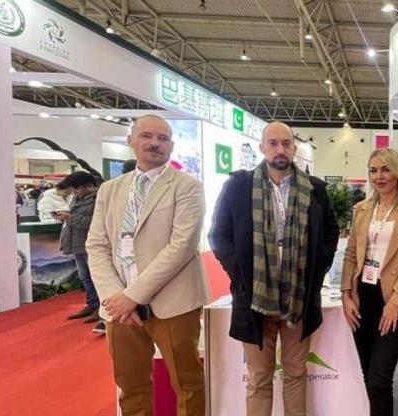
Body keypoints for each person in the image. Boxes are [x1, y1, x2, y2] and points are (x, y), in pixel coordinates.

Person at [208, 122, 339, 416]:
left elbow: (330, 231)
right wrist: (240, 273)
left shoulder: (314, 189)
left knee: (296, 373)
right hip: (254, 299)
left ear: (294, 148)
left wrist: (318, 269)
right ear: (262, 147)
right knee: (259, 378)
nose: (280, 149)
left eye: (286, 143)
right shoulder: (239, 187)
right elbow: (219, 235)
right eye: (273, 143)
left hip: (299, 298)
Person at [86, 115, 209, 416]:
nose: (155, 143)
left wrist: (133, 295)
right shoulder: (109, 190)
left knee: (188, 384)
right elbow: (97, 245)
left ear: (171, 145)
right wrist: (115, 296)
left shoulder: (187, 187)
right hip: (119, 307)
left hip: (173, 303)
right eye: (147, 136)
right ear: (130, 140)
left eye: (163, 138)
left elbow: (181, 247)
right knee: (131, 386)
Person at [341, 148, 398, 416]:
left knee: (380, 380)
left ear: (397, 173)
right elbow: (351, 253)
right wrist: (346, 294)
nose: (379, 176)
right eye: (373, 170)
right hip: (362, 298)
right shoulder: (362, 209)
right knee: (367, 374)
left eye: (385, 170)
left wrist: (395, 301)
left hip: (393, 299)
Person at [60, 172, 103, 331]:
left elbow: (94, 223)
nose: (74, 192)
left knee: (96, 277)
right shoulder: (77, 199)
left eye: (76, 188)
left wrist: (70, 218)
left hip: (91, 244)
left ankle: (102, 308)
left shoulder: (98, 199)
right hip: (77, 243)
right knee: (85, 277)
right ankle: (92, 304)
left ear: (87, 186)